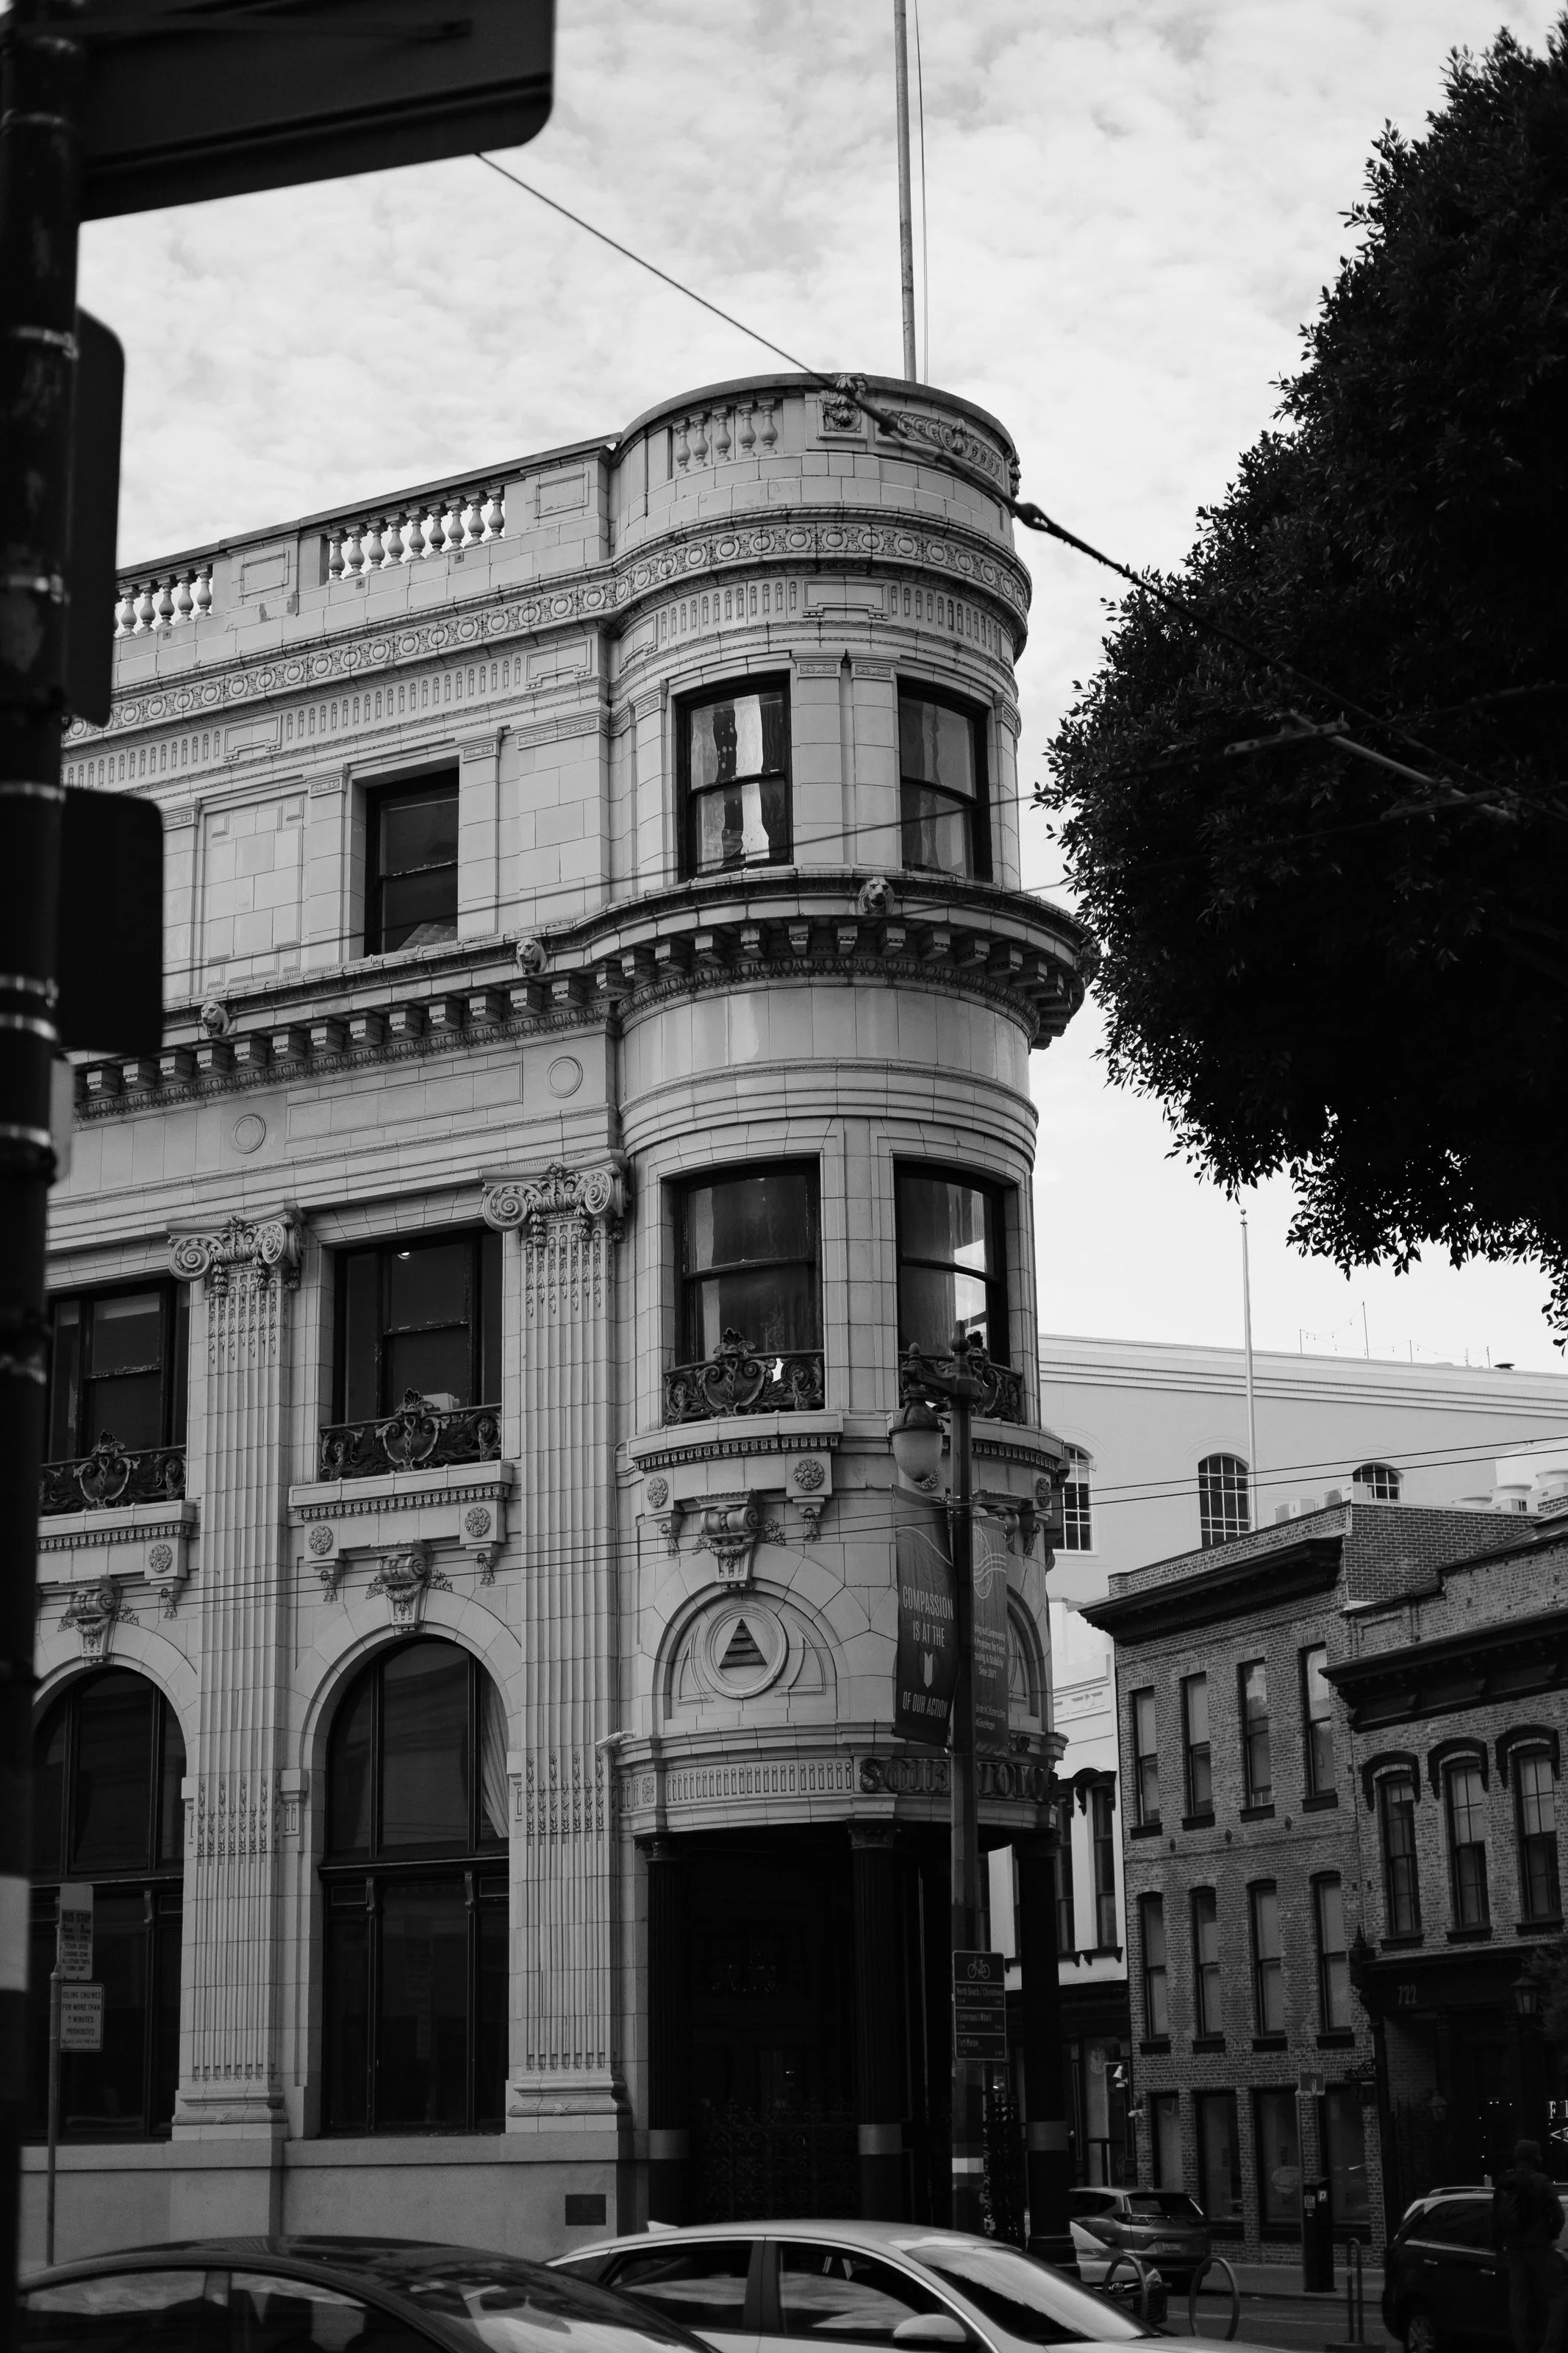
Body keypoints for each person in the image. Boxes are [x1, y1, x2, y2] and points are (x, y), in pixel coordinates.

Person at [1492, 2139, 1566, 2353]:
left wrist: (1498, 2248)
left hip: (1514, 2249)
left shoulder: (1505, 2181)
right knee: (1560, 2295)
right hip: (1539, 2249)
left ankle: (1523, 2347)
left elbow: (1494, 2218)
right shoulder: (1542, 2182)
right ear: (1535, 2158)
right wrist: (1550, 2235)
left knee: (1518, 2300)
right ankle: (1549, 2347)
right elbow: (1558, 2216)